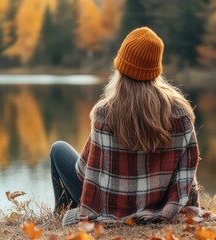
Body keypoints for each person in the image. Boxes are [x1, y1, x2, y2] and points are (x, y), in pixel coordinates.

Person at [49, 27, 202, 226]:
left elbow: (86, 172)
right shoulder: (180, 112)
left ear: (121, 67)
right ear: (156, 69)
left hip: (110, 207)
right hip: (159, 207)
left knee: (58, 149)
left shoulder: (105, 112)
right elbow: (187, 173)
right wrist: (187, 206)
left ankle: (61, 212)